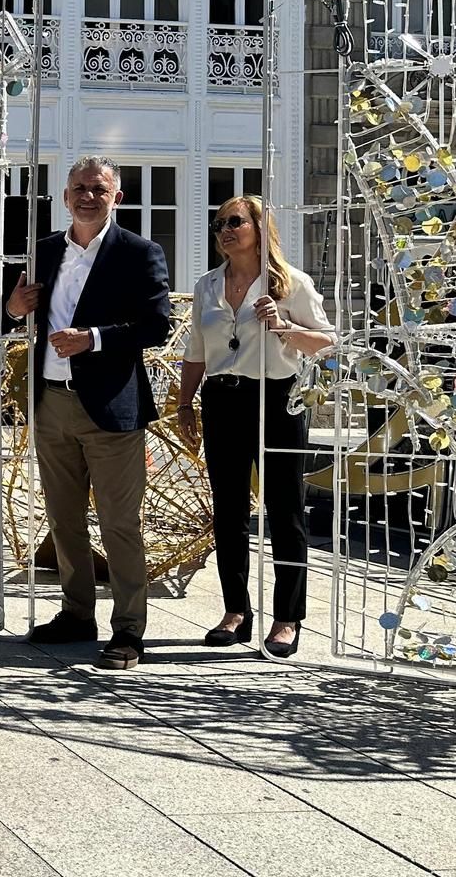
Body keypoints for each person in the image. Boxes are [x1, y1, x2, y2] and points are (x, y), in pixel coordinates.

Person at [6, 155, 172, 671]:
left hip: (111, 409)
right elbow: (12, 314)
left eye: (98, 189)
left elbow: (157, 327)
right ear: (65, 195)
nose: (87, 196)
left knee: (120, 523)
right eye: (79, 187)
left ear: (115, 196)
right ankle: (77, 614)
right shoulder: (44, 250)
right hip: (52, 402)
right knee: (63, 519)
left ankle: (128, 631)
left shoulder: (139, 253)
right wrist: (13, 309)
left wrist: (93, 339)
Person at [177, 195, 334, 658]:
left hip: (277, 399)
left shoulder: (291, 283)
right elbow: (196, 350)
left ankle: (287, 617)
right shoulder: (207, 286)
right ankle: (236, 612)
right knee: (227, 511)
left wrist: (283, 325)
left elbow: (325, 343)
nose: (225, 230)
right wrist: (186, 404)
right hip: (222, 398)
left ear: (259, 227)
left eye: (235, 222)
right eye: (218, 223)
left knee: (285, 511)